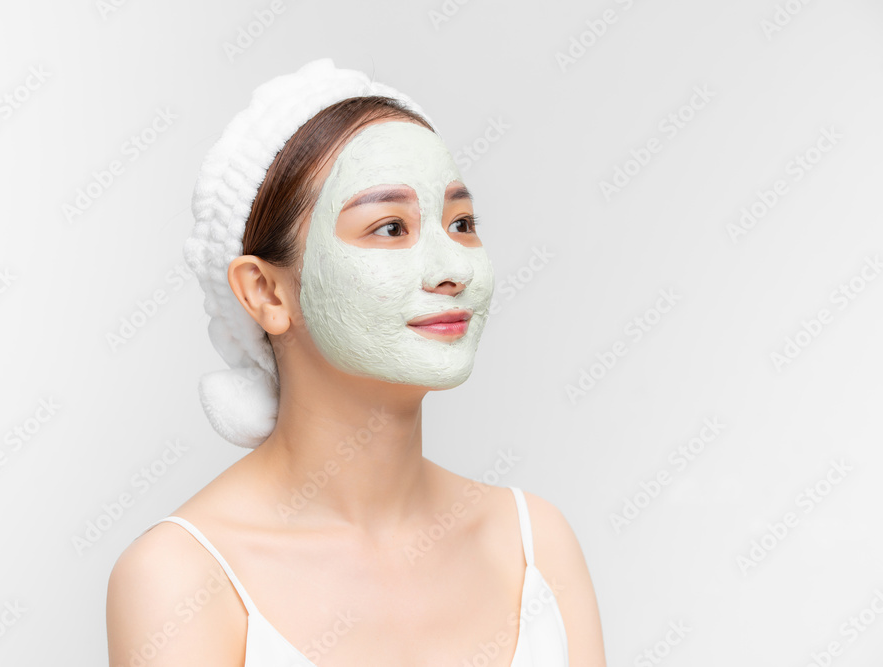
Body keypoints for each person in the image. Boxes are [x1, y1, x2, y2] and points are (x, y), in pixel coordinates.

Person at [106, 58, 607, 666]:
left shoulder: (534, 543)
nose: (451, 268)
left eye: (462, 223)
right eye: (390, 227)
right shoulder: (182, 577)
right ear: (266, 293)